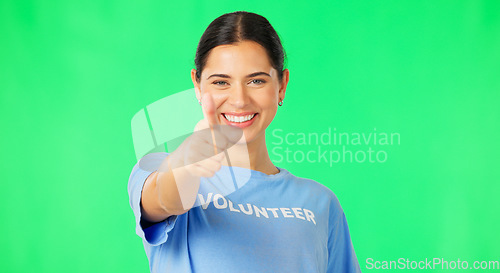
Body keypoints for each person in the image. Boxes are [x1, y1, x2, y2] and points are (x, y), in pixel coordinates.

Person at [128, 11, 361, 273]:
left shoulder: (320, 203)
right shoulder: (159, 169)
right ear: (197, 85)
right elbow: (164, 198)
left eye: (256, 80)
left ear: (282, 85)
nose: (239, 100)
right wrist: (186, 164)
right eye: (221, 82)